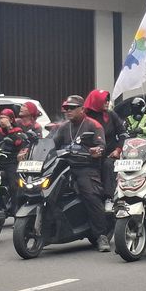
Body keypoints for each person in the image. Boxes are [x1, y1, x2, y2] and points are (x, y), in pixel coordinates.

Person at [53, 95, 111, 251]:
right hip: (64, 166)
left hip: (86, 167)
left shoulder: (93, 125)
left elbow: (101, 146)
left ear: (82, 109)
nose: (68, 111)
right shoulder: (64, 127)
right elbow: (51, 144)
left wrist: (96, 151)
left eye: (72, 108)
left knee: (90, 195)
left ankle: (101, 236)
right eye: (66, 108)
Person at [84, 89, 125, 199]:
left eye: (108, 100)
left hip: (109, 154)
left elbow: (123, 134)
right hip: (88, 155)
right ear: (96, 101)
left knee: (107, 165)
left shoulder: (111, 115)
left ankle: (109, 197)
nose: (107, 102)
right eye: (104, 100)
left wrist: (118, 150)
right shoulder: (85, 117)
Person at [0, 108, 26, 216]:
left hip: (11, 162)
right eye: (0, 118)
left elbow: (20, 143)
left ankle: (16, 211)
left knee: (14, 186)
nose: (1, 120)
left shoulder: (18, 131)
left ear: (11, 119)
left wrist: (9, 128)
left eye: (4, 118)